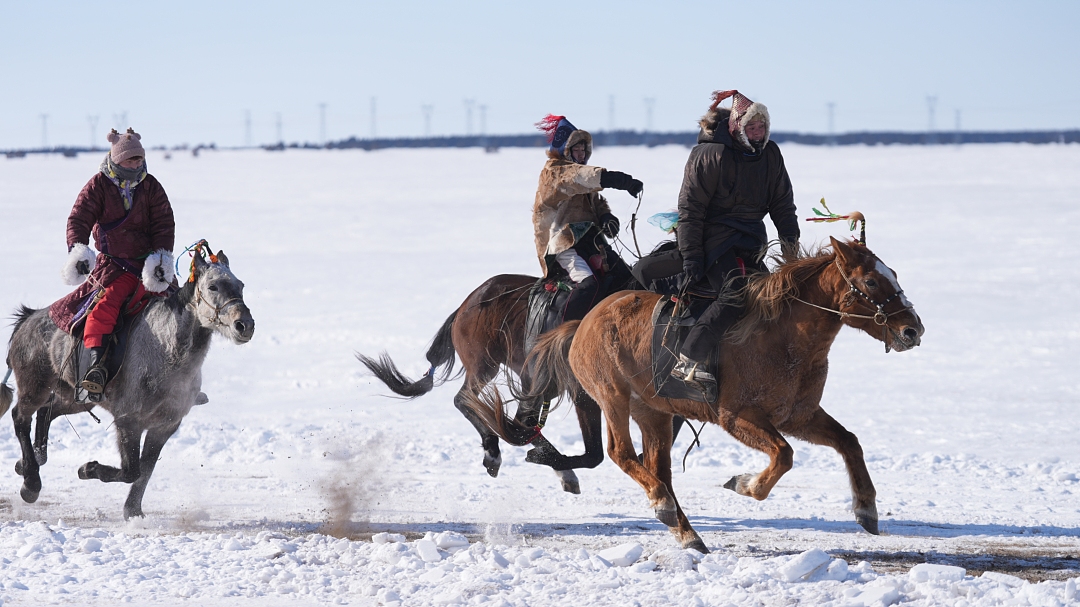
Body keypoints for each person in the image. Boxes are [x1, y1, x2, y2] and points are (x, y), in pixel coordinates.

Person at [670, 90, 800, 398]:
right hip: (713, 241)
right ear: (737, 128)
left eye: (762, 127)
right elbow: (691, 209)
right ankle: (689, 358)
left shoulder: (770, 155)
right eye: (752, 127)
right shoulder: (710, 155)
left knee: (771, 297)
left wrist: (790, 248)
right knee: (737, 293)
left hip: (750, 241)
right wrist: (691, 256)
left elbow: (782, 204)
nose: (758, 133)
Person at [56, 128, 176, 402]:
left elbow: (163, 224)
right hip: (115, 266)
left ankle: (181, 382)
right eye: (131, 160)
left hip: (150, 266)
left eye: (139, 159)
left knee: (177, 307)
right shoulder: (98, 185)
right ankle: (95, 371)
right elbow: (79, 219)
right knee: (105, 308)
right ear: (117, 160)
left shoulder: (151, 186)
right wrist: (79, 249)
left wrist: (161, 256)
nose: (136, 164)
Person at [532, 115, 643, 322]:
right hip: (562, 245)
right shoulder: (554, 174)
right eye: (577, 150)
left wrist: (606, 216)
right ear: (565, 150)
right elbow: (578, 176)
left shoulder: (580, 178)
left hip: (590, 241)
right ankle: (561, 336)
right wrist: (615, 179)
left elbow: (595, 201)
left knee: (629, 280)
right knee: (588, 285)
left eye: (584, 150)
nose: (582, 155)